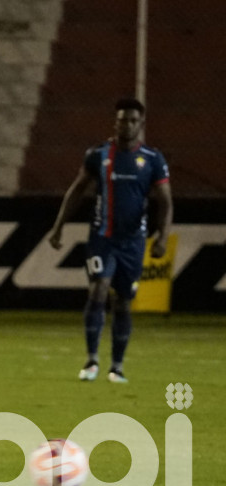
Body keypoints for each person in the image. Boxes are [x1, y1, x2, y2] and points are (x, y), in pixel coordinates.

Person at [48, 97, 173, 383]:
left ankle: (117, 366)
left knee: (124, 302)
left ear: (140, 124)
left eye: (132, 120)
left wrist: (162, 237)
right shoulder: (99, 155)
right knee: (98, 291)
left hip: (133, 242)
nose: (126, 124)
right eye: (122, 119)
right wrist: (58, 228)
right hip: (102, 238)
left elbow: (165, 202)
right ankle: (91, 361)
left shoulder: (153, 160)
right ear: (114, 122)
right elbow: (77, 190)